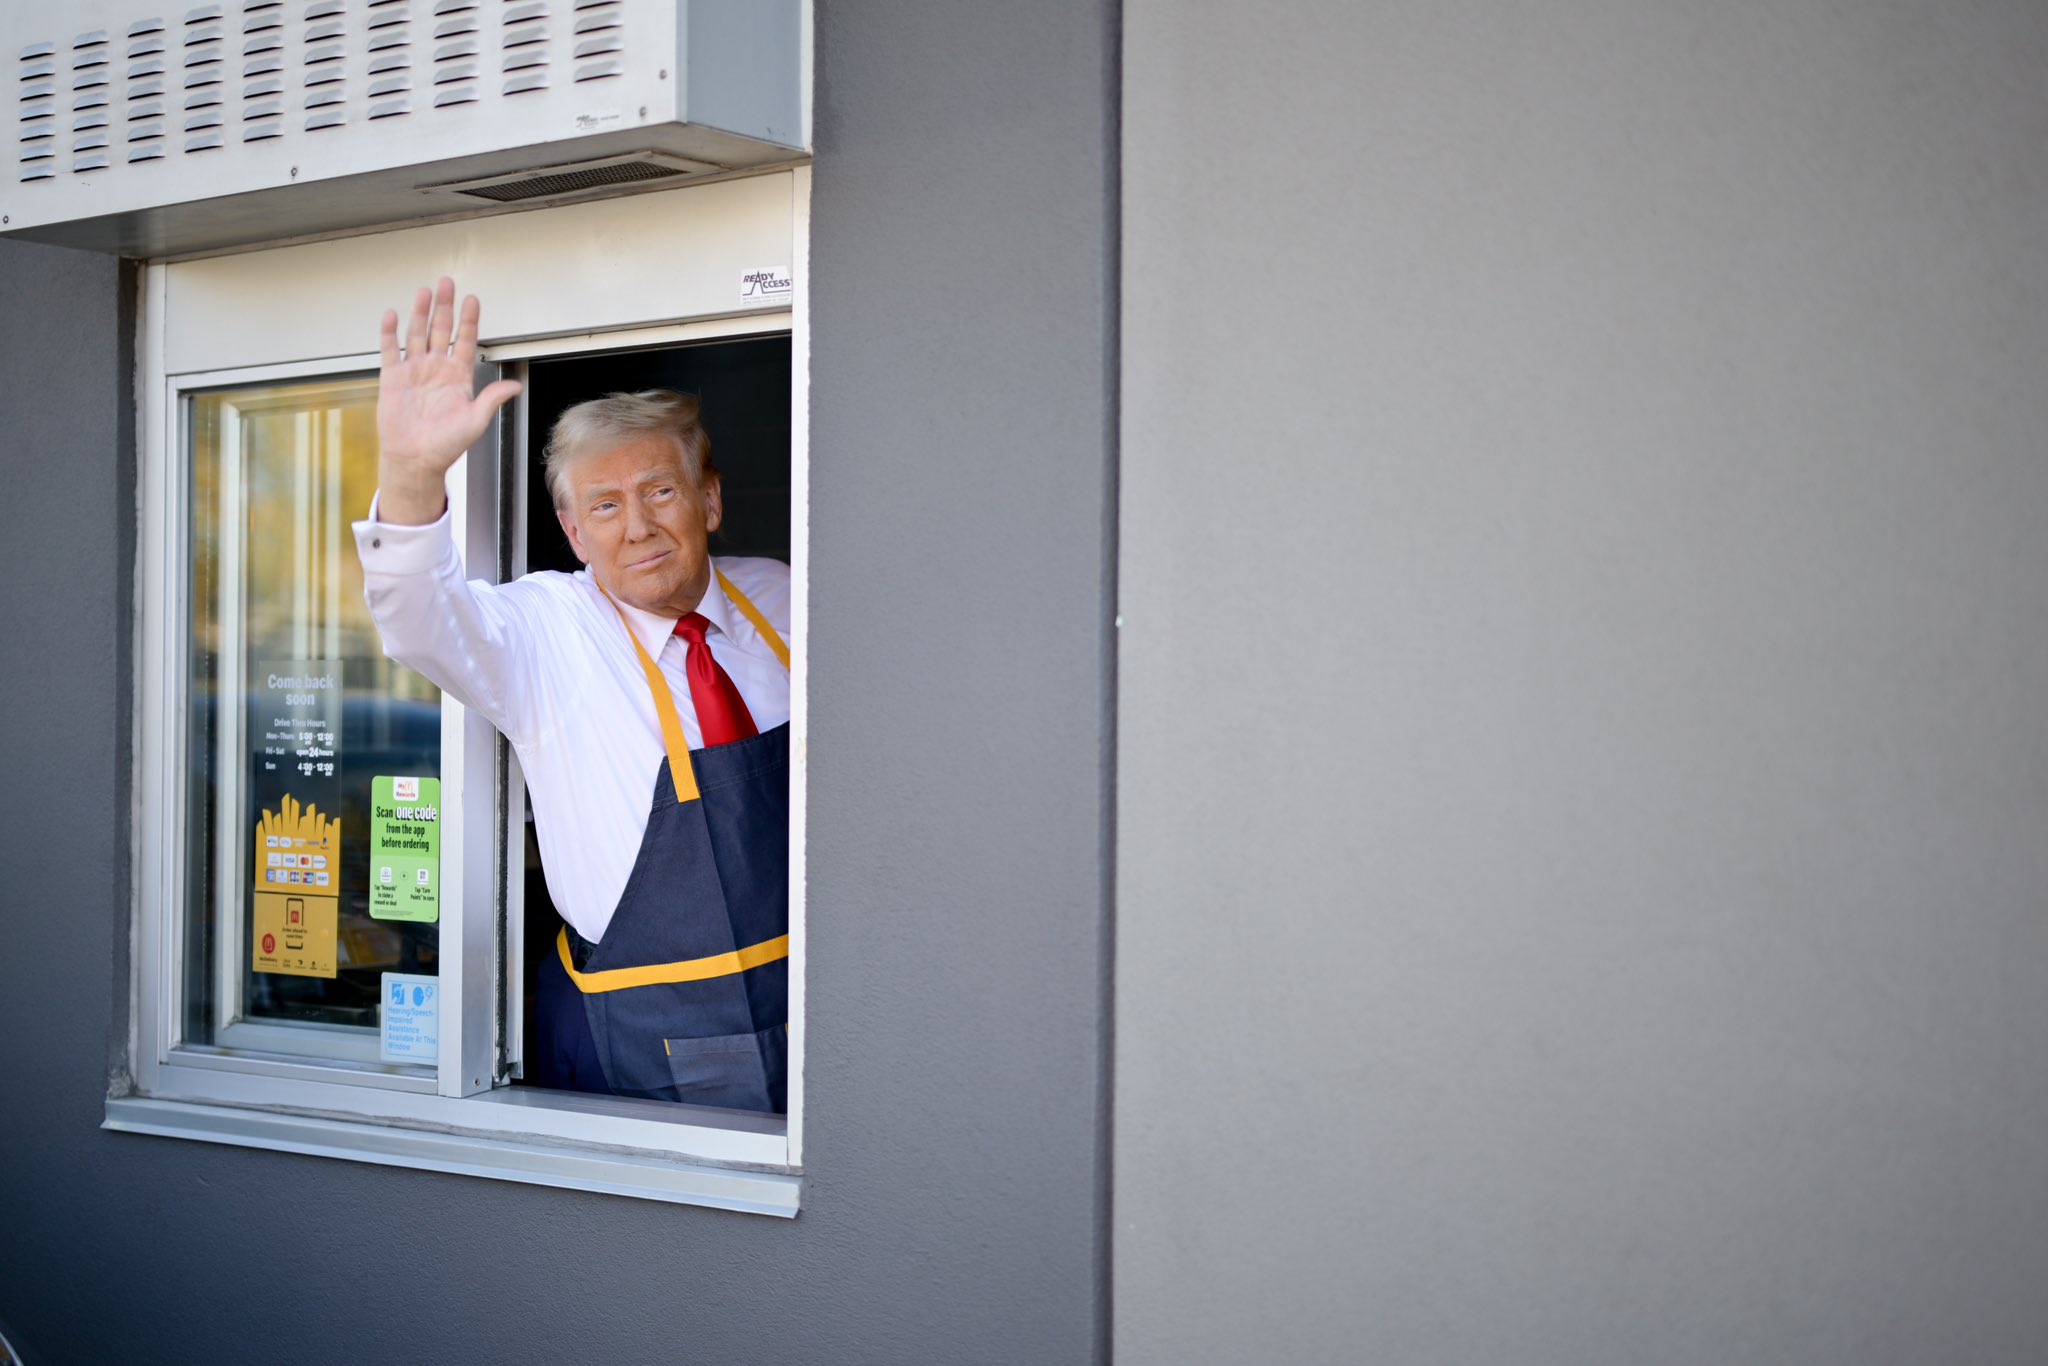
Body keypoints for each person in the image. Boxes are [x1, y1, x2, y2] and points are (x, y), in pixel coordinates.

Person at [352, 277, 792, 1112]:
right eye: (605, 505)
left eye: (661, 491)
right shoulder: (546, 630)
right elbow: (417, 618)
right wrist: (411, 471)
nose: (639, 526)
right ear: (575, 534)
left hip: (818, 1008)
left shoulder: (780, 600)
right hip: (652, 1039)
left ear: (710, 498)